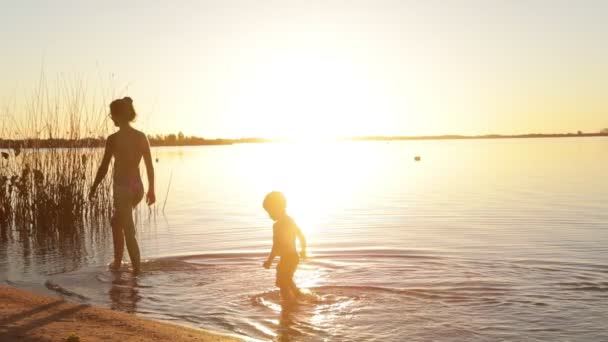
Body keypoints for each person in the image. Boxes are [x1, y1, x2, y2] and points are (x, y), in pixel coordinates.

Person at [90, 97, 155, 274]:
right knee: (116, 221)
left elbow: (104, 167)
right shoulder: (141, 137)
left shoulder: (113, 139)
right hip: (137, 188)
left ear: (119, 115)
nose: (111, 118)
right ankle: (118, 262)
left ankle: (137, 271)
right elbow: (149, 166)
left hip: (123, 189)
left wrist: (94, 186)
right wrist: (151, 190)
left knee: (128, 230)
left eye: (112, 114)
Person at [262, 191, 307, 304]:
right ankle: (298, 296)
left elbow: (276, 245)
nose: (269, 216)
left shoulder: (277, 225)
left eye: (270, 212)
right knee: (286, 280)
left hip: (287, 258)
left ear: (278, 208)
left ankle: (289, 304)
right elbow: (301, 235)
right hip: (293, 257)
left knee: (282, 282)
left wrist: (269, 261)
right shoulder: (290, 220)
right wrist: (303, 250)